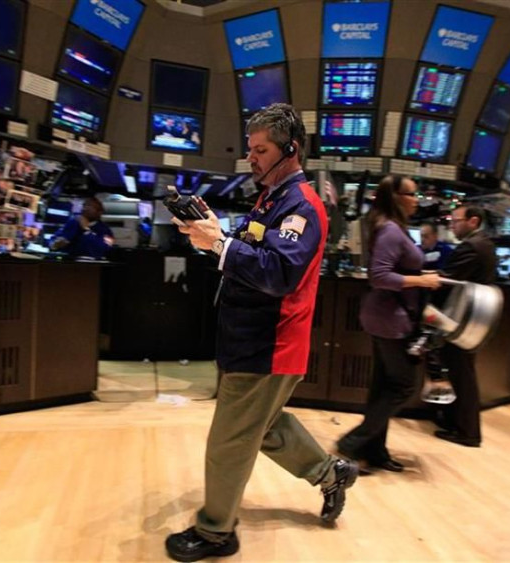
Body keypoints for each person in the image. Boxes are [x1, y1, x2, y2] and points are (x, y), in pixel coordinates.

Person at [165, 103, 358, 563]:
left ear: (290, 151)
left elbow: (278, 273)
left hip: (270, 345)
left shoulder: (302, 206)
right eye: (250, 149)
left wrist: (218, 243)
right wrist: (214, 234)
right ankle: (331, 474)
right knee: (264, 426)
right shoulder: (270, 199)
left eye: (260, 149)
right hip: (250, 340)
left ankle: (216, 533)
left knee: (229, 442)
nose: (251, 157)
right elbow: (252, 250)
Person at [336, 175, 441, 473]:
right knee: (404, 385)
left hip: (386, 317)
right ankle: (352, 443)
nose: (416, 199)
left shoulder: (391, 227)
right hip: (389, 319)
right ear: (396, 196)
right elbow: (379, 276)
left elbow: (395, 269)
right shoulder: (392, 231)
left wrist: (425, 273)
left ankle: (375, 451)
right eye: (412, 194)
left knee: (384, 385)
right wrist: (421, 279)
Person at [434, 205, 497, 447]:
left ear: (473, 221)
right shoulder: (485, 243)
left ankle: (467, 432)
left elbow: (450, 279)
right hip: (473, 318)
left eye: (456, 220)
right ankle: (455, 424)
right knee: (463, 372)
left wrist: (426, 277)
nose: (452, 225)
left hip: (464, 318)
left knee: (462, 375)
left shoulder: (472, 246)